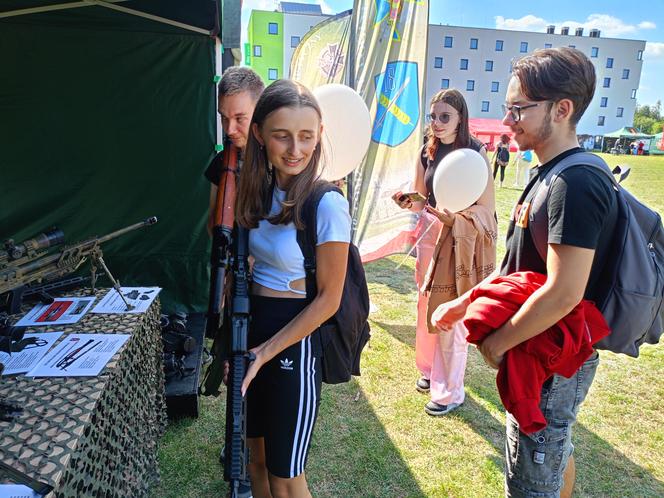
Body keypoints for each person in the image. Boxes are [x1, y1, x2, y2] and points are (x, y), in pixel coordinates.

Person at [431, 47, 618, 498]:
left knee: (533, 474)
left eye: (518, 108)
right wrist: (463, 303)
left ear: (562, 109)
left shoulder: (577, 182)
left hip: (552, 357)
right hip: (541, 350)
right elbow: (519, 266)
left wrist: (498, 342)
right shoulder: (548, 173)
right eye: (507, 107)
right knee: (553, 450)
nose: (508, 119)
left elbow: (563, 293)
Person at [235, 79, 351, 498]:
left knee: (286, 474)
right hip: (251, 332)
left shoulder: (327, 204)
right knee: (256, 460)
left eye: (306, 136)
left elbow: (329, 299)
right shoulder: (259, 194)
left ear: (319, 136)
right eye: (282, 135)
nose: (295, 149)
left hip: (293, 344)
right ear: (260, 134)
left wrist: (267, 351)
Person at [391, 88, 495, 416]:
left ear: (460, 118)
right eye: (433, 116)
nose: (436, 122)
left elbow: (487, 208)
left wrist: (456, 221)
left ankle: (450, 391)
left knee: (451, 313)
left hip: (460, 240)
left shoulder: (475, 152)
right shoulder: (427, 151)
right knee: (426, 305)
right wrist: (409, 199)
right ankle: (427, 369)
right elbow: (423, 197)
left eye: (444, 116)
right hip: (430, 235)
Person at [205, 66, 265, 235]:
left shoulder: (280, 158)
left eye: (239, 118)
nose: (229, 129)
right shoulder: (220, 163)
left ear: (260, 112)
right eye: (224, 117)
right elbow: (212, 224)